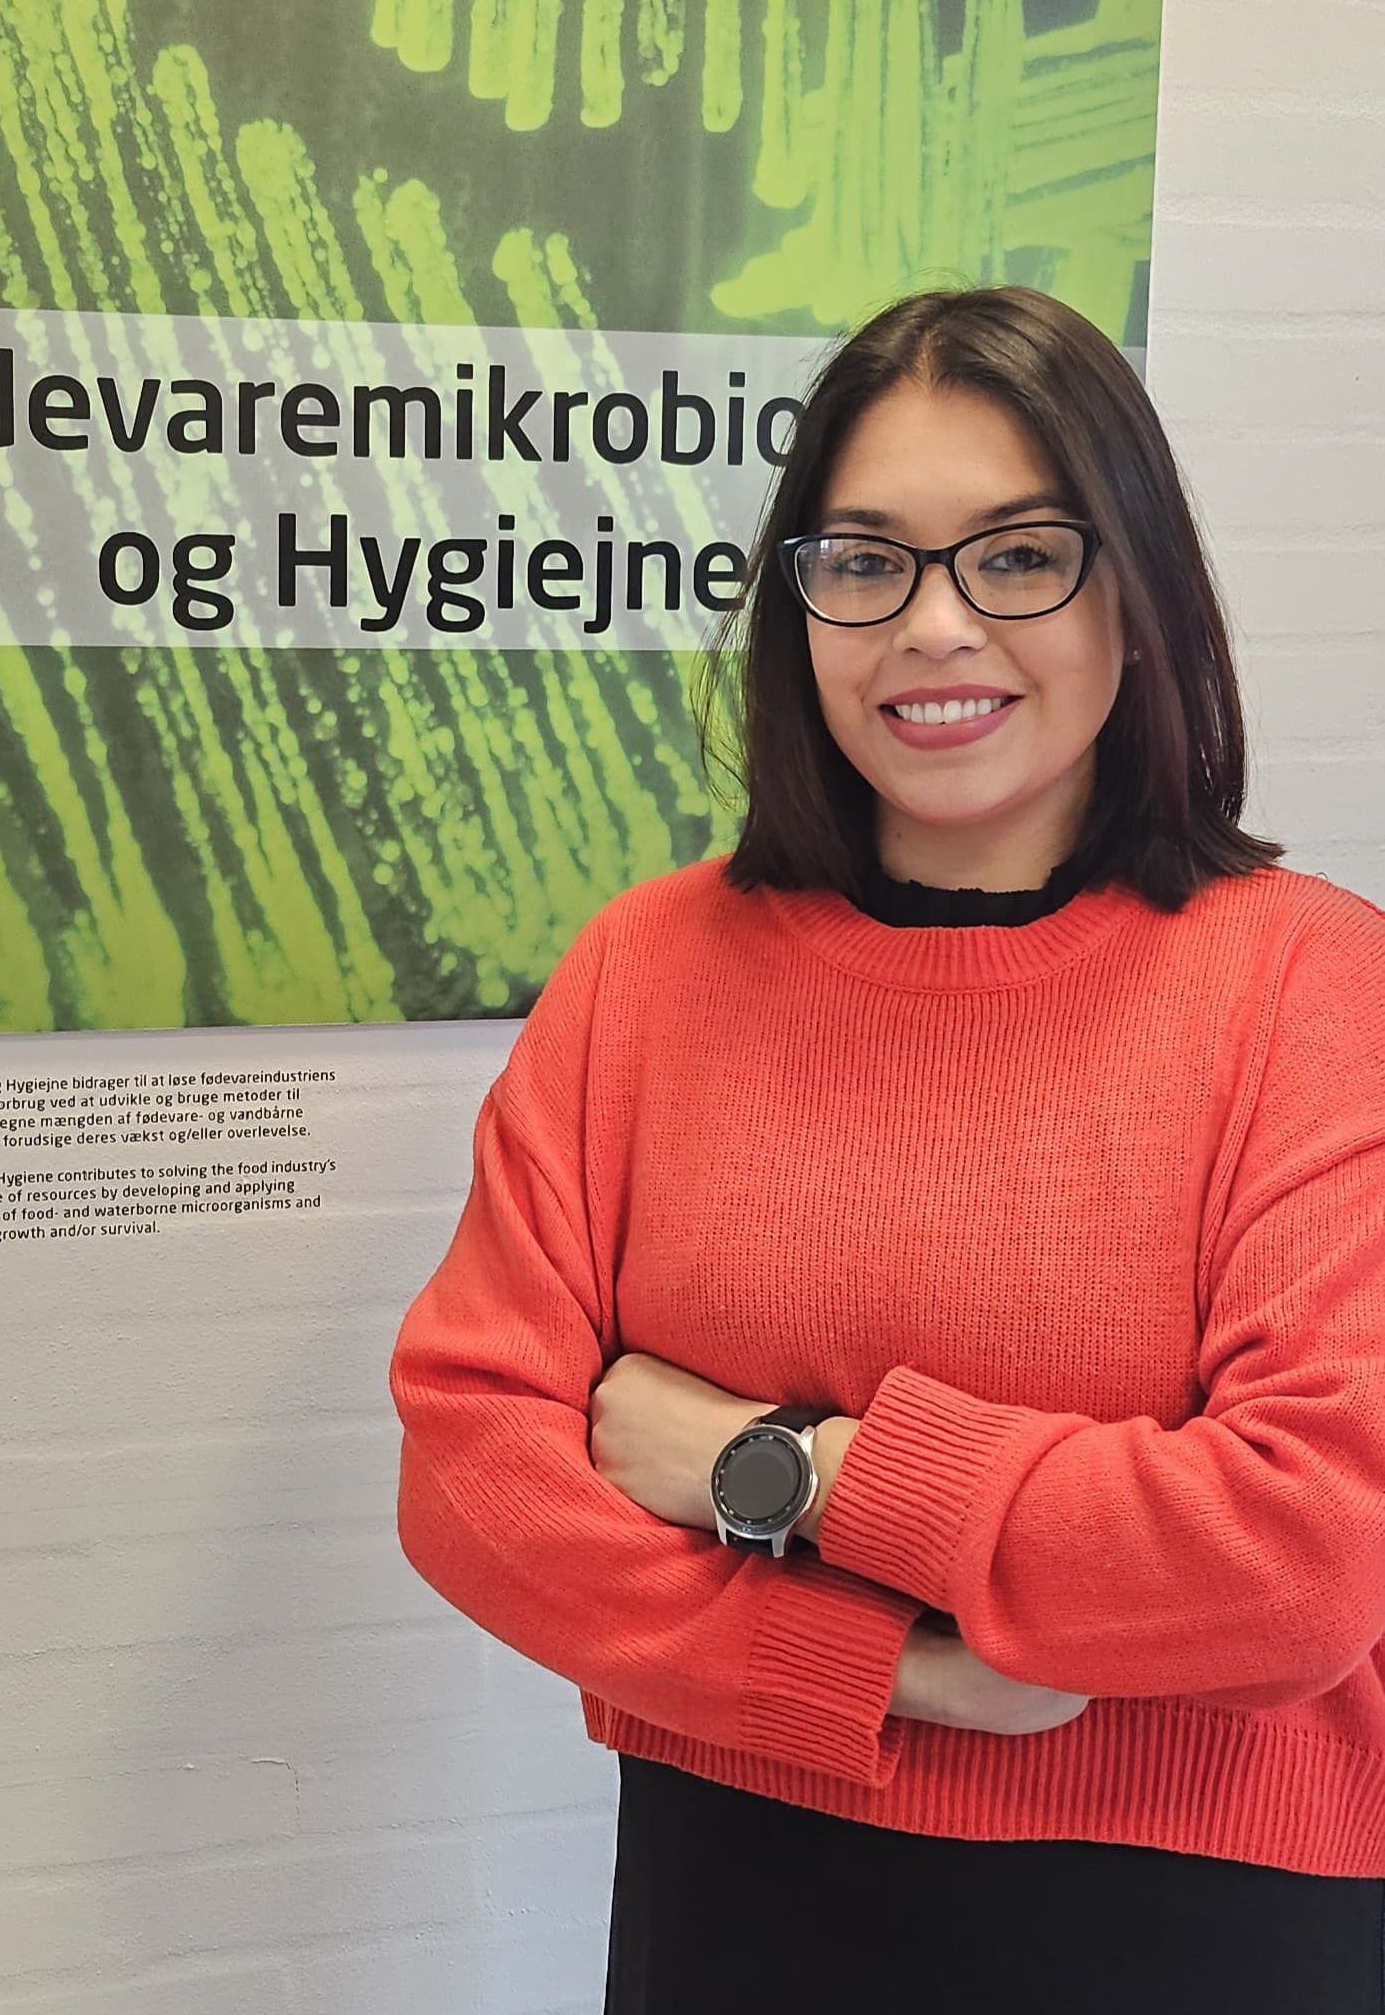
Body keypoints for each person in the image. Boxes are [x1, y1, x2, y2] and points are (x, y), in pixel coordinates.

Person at [388, 286, 1385, 2013]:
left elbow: (1301, 1557)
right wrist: (883, 1668)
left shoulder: (1311, 985)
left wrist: (770, 1466)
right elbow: (477, 1472)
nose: (934, 627)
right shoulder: (653, 967)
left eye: (1017, 557)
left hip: (1205, 1912)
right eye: (864, 562)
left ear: (1138, 599)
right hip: (740, 1883)